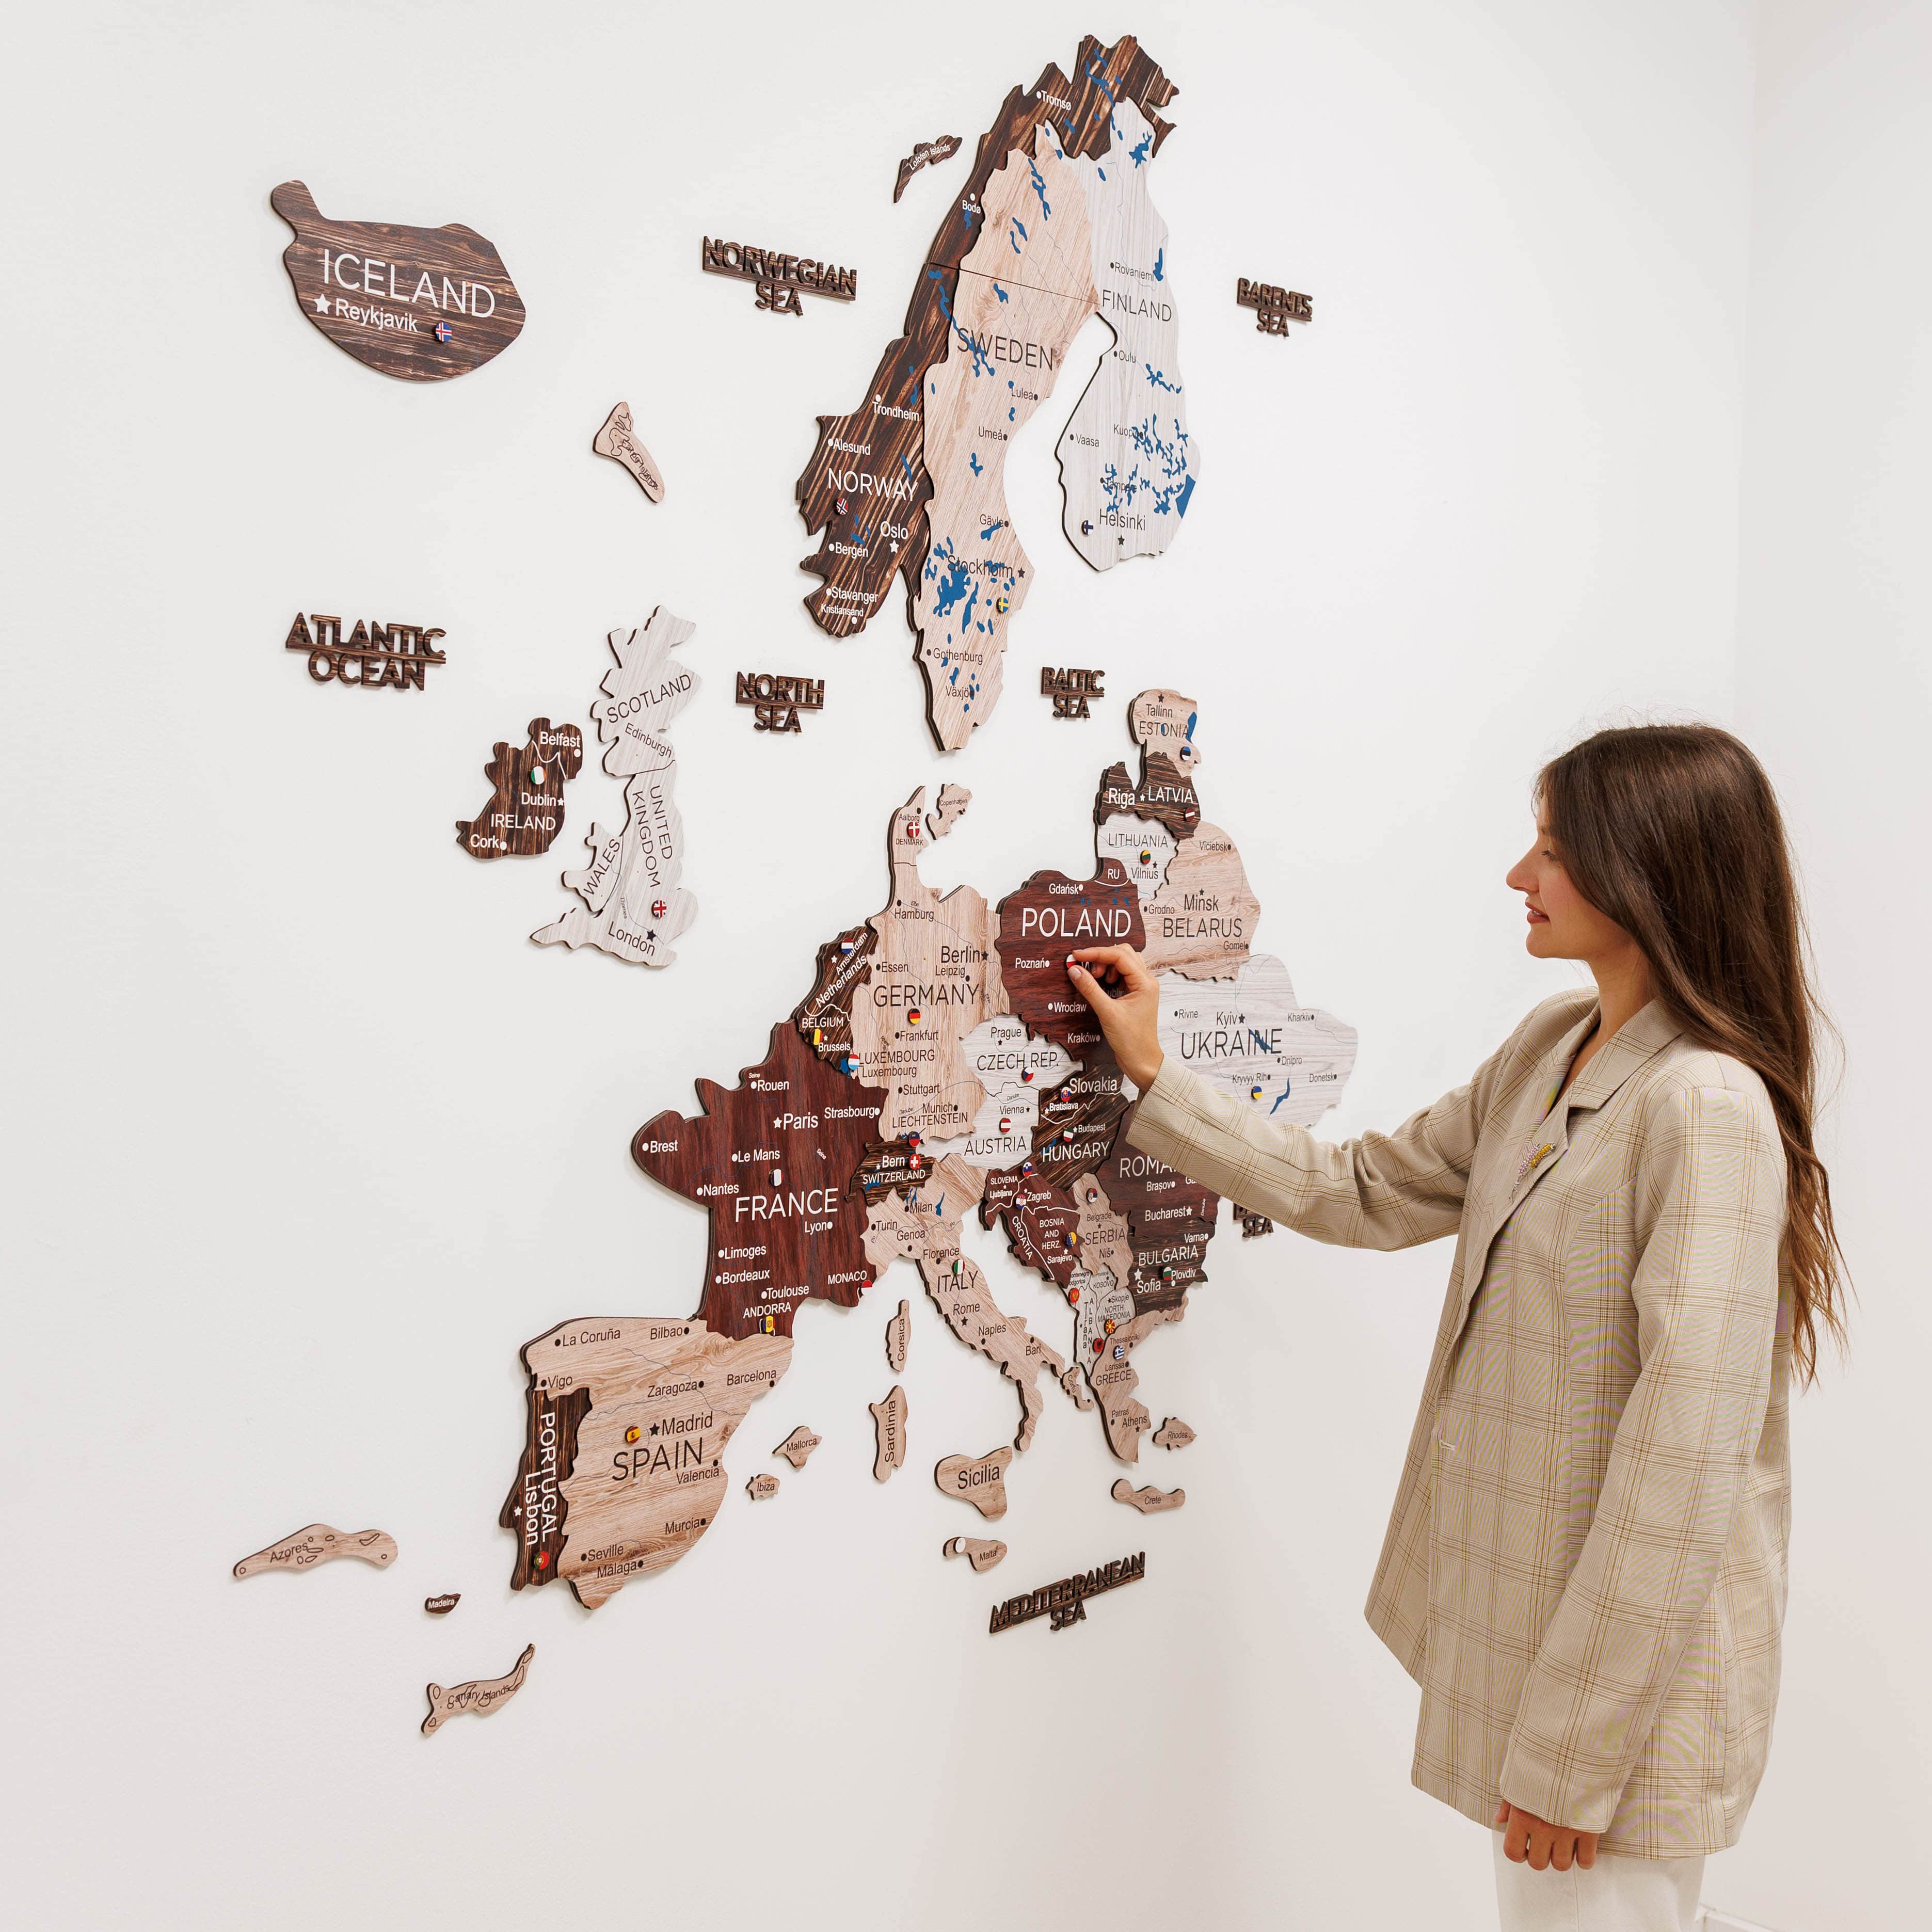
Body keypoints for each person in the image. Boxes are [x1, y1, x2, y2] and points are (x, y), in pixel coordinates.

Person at [1067, 723, 1845, 1932]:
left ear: (1643, 871)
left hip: (1620, 1714)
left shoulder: (1708, 1110)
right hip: (1541, 1653)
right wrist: (1160, 1081)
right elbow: (1364, 1188)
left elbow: (1681, 1474)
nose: (1518, 877)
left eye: (1552, 850)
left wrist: (1574, 1763)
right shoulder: (1550, 1047)